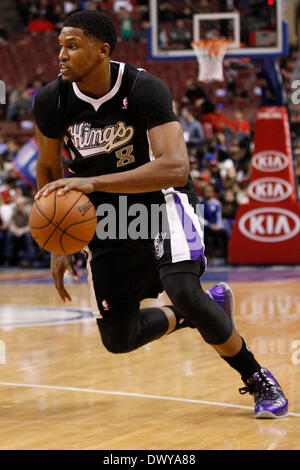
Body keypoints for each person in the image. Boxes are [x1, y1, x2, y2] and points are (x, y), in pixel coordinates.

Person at [33, 10, 287, 419]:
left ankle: (257, 377)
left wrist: (94, 184)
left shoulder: (143, 87)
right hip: (101, 217)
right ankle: (197, 313)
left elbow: (175, 167)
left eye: (72, 45)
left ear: (102, 51)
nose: (61, 55)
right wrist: (55, 241)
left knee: (183, 287)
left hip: (158, 202)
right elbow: (47, 171)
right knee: (119, 338)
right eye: (60, 45)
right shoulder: (52, 99)